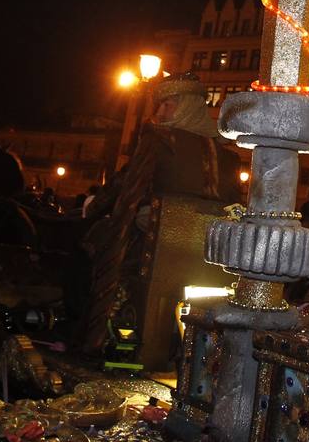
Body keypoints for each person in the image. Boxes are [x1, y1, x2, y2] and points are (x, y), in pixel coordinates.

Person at [81, 72, 240, 355]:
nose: (158, 112)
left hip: (157, 246)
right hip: (207, 259)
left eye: (167, 104)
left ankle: (100, 339)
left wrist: (94, 209)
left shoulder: (159, 138)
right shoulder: (227, 154)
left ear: (186, 105)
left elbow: (128, 188)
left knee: (94, 248)